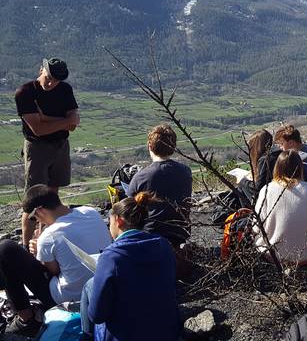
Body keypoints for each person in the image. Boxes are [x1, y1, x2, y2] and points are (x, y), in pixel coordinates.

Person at [0, 185, 111, 336]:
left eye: (34, 218)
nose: (37, 221)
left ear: (40, 211)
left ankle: (26, 319)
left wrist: (39, 250)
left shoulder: (49, 236)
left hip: (71, 298)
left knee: (6, 249)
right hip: (104, 286)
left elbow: (54, 271)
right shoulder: (90, 212)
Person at [81, 192, 180, 341]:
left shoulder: (111, 257)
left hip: (127, 335)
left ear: (118, 221)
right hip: (167, 331)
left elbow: (97, 315)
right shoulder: (163, 244)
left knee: (90, 285)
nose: (110, 228)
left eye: (110, 223)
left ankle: (86, 337)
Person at [14, 57, 80, 247]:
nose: (51, 83)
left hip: (60, 145)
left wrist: (45, 118)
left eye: (56, 80)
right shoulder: (25, 92)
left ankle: (44, 242)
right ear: (41, 69)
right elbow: (38, 130)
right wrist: (62, 121)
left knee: (52, 197)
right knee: (33, 200)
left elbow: (74, 123)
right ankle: (27, 246)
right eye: (49, 77)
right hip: (37, 148)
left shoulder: (65, 89)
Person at [125, 125, 192, 248]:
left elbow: (128, 207)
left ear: (149, 146)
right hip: (180, 233)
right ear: (173, 147)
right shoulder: (185, 171)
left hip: (151, 235)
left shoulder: (141, 176)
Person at [254, 150, 307, 264]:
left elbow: (256, 226)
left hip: (273, 255)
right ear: (300, 168)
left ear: (277, 167)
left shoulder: (267, 190)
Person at [274, 124, 307, 192]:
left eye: (282, 144)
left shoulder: (301, 159)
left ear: (291, 143)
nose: (280, 147)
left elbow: (300, 186)